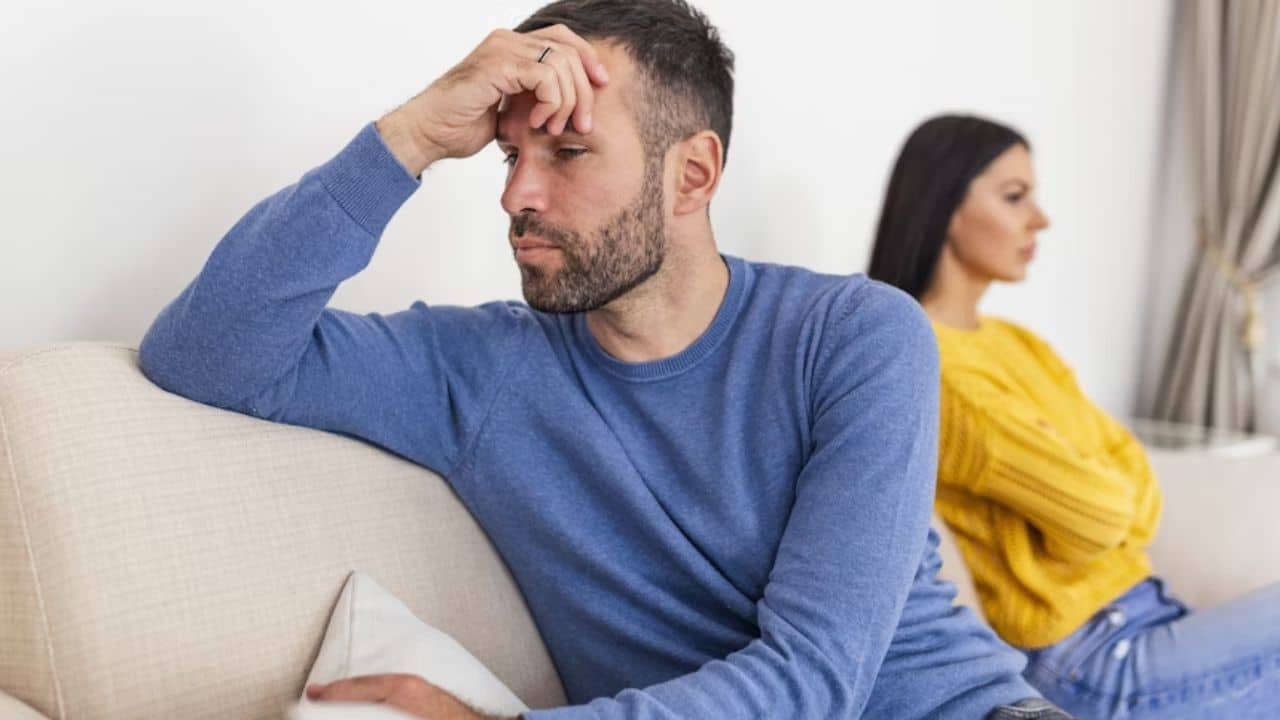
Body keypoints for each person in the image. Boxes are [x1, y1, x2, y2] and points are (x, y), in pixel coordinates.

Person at [139, 3, 1068, 718]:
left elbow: (813, 680)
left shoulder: (856, 334)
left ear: (693, 175)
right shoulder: (481, 369)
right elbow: (204, 354)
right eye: (508, 155)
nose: (517, 195)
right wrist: (412, 136)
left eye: (570, 151)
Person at [867, 113, 1280, 719]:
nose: (1041, 219)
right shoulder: (932, 366)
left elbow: (1133, 476)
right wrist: (1094, 481)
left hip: (1150, 617)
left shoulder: (1019, 344)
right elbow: (1101, 513)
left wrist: (1092, 481)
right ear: (944, 208)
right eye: (1015, 197)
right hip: (1094, 661)